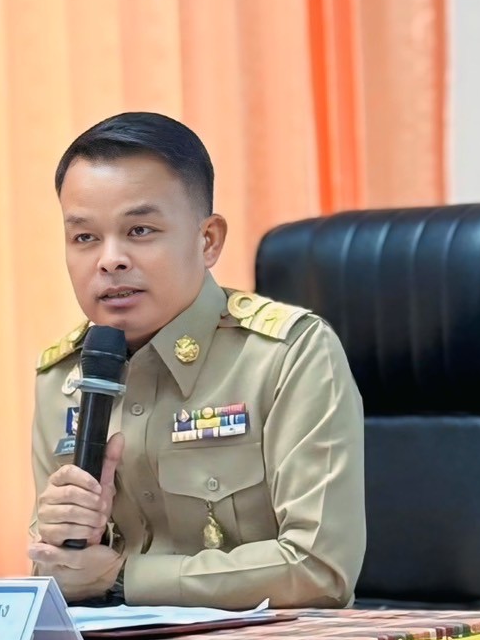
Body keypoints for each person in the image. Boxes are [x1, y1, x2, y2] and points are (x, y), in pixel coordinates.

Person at [29, 112, 365, 608]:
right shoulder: (64, 377)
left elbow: (319, 569)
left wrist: (123, 578)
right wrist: (65, 552)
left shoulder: (286, 355)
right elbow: (55, 572)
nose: (109, 259)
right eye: (84, 238)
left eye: (140, 230)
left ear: (207, 240)